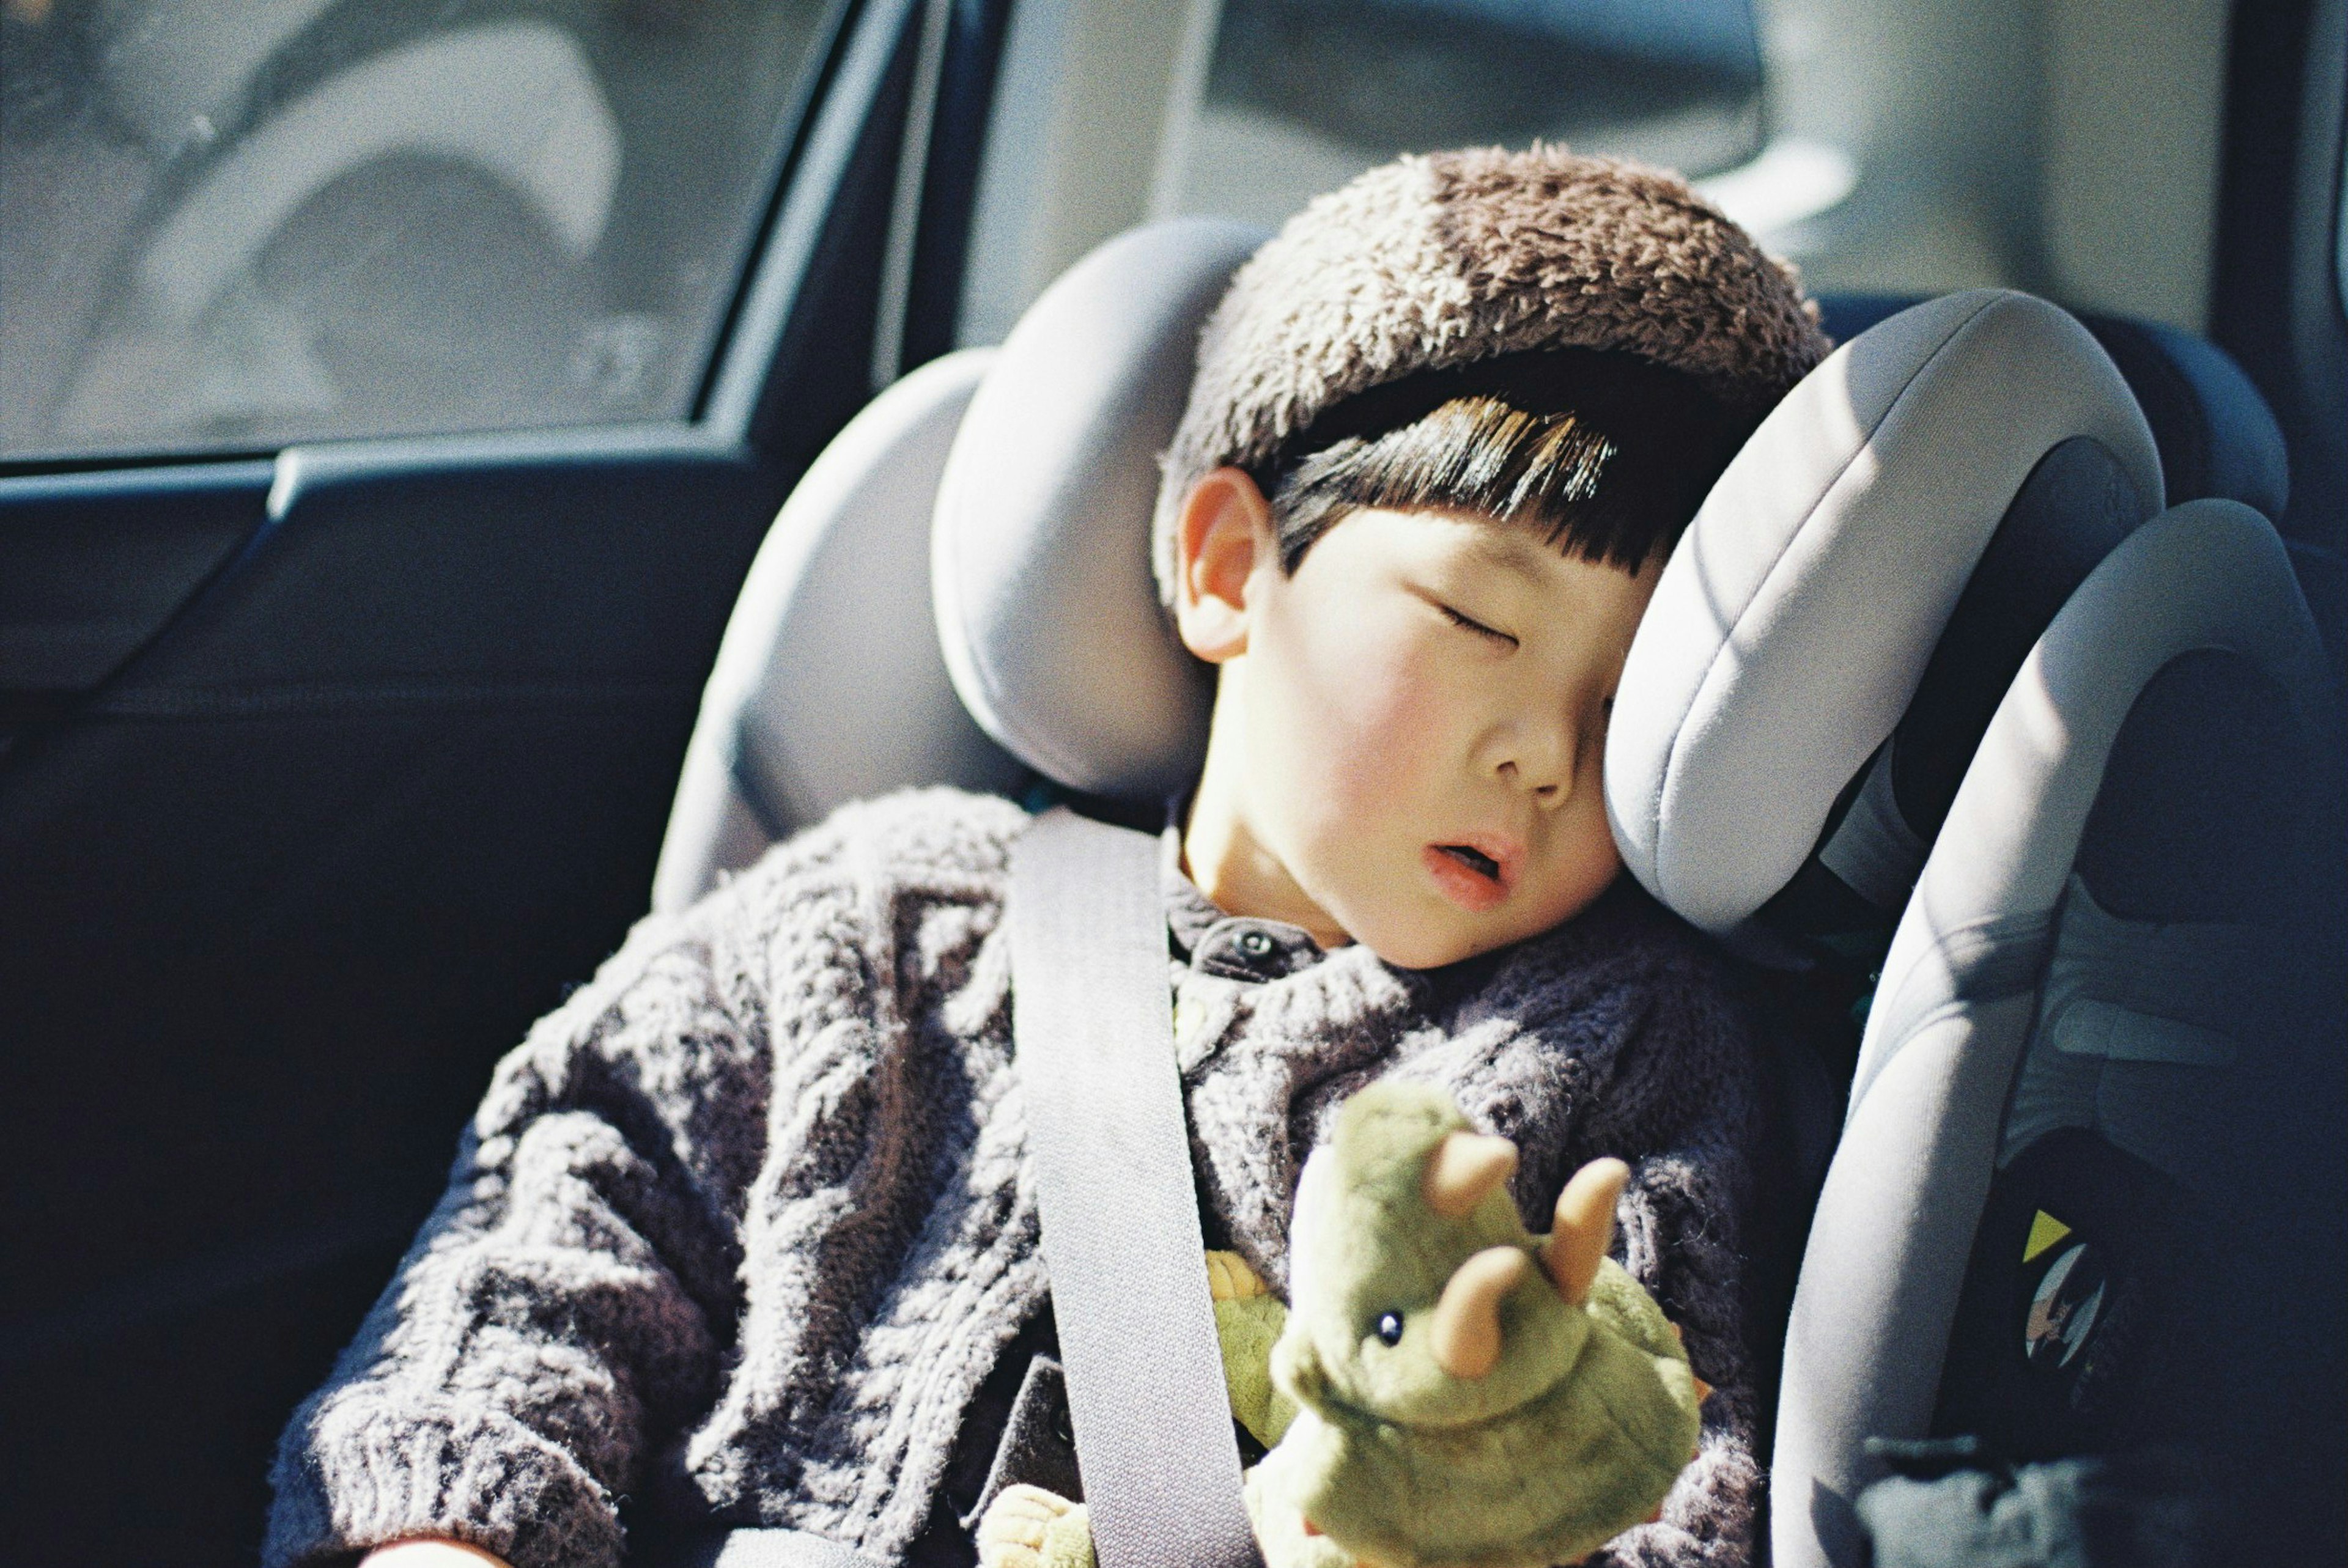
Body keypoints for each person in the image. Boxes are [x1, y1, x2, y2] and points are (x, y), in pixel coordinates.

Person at [265, 146, 1830, 1568]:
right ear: (1229, 570)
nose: (1546, 755)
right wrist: (451, 1526)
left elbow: (1669, 1470)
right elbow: (556, 1235)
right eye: (1479, 620)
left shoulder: (1621, 1056)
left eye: (1627, 713)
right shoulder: (881, 916)